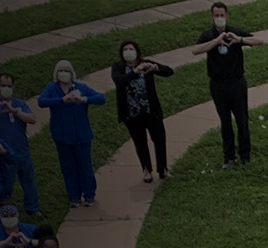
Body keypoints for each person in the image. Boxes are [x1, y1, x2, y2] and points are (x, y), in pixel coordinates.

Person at [193, 2, 264, 169]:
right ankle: (229, 157)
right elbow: (195, 50)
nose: (219, 18)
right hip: (218, 85)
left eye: (222, 15)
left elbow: (259, 40)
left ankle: (245, 156)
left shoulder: (235, 33)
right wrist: (217, 40)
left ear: (227, 16)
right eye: (216, 15)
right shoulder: (208, 35)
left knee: (242, 120)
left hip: (237, 83)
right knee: (225, 122)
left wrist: (239, 40)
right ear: (212, 17)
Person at [37, 60, 104, 208]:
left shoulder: (80, 87)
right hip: (62, 136)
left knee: (85, 165)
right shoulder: (52, 88)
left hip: (82, 136)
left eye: (66, 71)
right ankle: (73, 196)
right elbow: (41, 101)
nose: (63, 73)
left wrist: (83, 99)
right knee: (68, 167)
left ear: (71, 73)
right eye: (60, 70)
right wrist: (62, 100)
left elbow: (101, 98)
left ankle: (89, 194)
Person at [111, 40, 175, 183]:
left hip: (151, 111)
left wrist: (155, 68)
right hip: (132, 114)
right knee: (140, 142)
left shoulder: (145, 63)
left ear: (137, 51)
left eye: (131, 49)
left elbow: (169, 71)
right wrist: (135, 72)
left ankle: (162, 169)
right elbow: (119, 81)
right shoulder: (118, 67)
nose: (128, 51)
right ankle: (146, 170)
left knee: (159, 138)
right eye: (125, 49)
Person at [0, 73, 40, 214]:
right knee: (5, 184)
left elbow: (32, 119)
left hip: (22, 150)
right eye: (3, 85)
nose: (6, 88)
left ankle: (33, 209)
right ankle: (4, 209)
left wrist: (15, 112)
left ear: (13, 87)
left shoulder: (20, 104)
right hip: (3, 153)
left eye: (9, 86)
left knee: (28, 182)